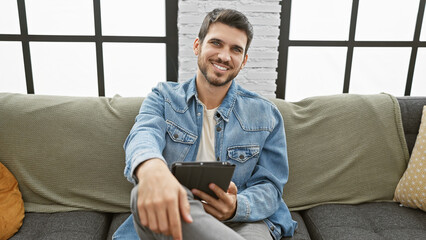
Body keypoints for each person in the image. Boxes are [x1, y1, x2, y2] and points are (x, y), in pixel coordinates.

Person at [113, 8, 297, 240]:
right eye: (216, 43)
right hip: (178, 210)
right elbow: (144, 134)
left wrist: (235, 206)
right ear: (197, 46)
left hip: (241, 222)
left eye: (236, 49)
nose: (224, 56)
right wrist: (152, 170)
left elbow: (270, 188)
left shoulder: (266, 114)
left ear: (244, 61)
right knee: (144, 192)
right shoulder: (163, 96)